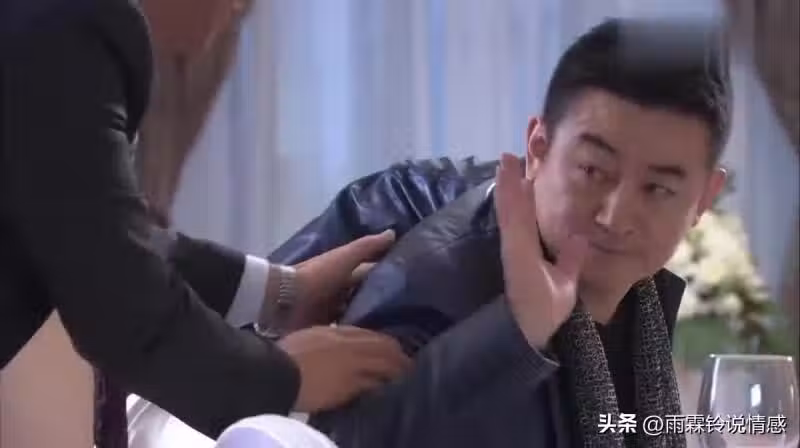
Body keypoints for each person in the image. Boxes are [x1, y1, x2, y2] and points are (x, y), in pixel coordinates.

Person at [266, 17, 731, 447]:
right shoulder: (438, 285)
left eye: (658, 189)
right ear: (538, 148)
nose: (616, 217)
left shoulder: (637, 296)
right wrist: (512, 335)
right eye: (593, 171)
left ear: (704, 198)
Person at [0, 0, 410, 439]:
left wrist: (283, 292)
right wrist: (283, 377)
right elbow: (114, 301)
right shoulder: (65, 22)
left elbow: (90, 229)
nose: (238, 8)